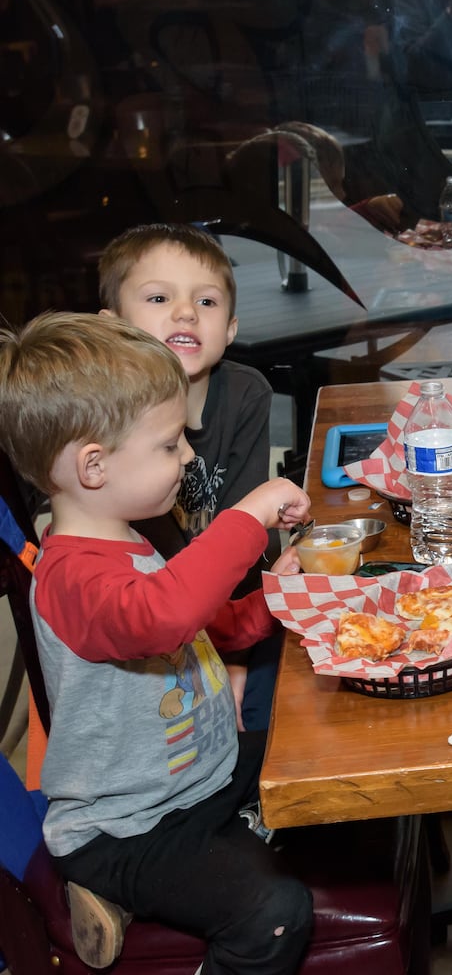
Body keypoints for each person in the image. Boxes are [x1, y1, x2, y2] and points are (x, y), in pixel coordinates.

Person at [0, 311, 314, 972]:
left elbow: (200, 629)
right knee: (275, 915)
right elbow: (164, 615)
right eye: (170, 445)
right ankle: (117, 888)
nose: (189, 459)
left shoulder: (130, 537)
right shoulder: (68, 576)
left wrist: (274, 601)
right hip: (129, 829)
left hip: (199, 778)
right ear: (93, 466)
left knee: (318, 758)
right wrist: (247, 517)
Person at [98, 222, 284, 731]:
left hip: (230, 603)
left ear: (230, 327)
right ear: (112, 326)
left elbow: (250, 533)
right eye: (159, 297)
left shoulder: (246, 394)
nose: (185, 312)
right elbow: (144, 571)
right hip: (147, 619)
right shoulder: (100, 419)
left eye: (205, 303)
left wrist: (241, 647)